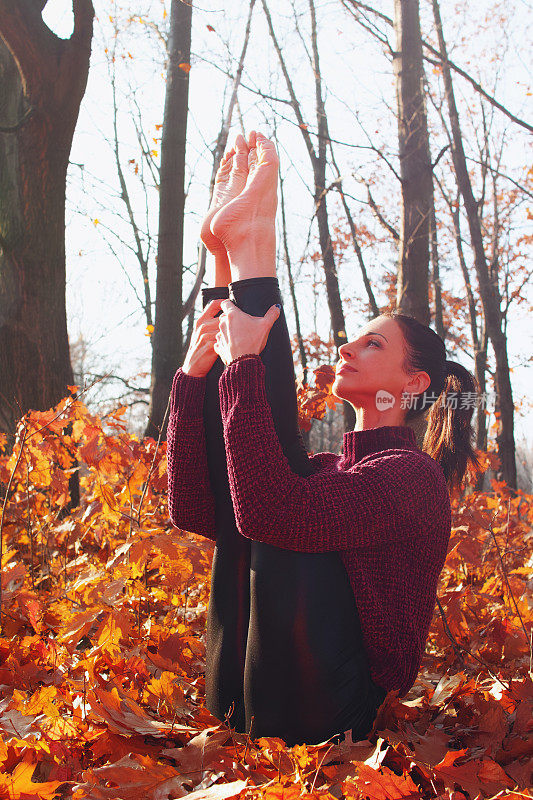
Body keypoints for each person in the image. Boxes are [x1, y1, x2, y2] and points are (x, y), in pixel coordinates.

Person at [166, 131, 481, 747]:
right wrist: (193, 376)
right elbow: (200, 509)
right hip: (254, 701)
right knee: (261, 495)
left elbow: (273, 510)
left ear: (413, 381)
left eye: (374, 344)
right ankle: (232, 260)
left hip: (339, 711)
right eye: (355, 338)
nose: (348, 348)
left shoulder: (410, 477)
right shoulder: (335, 470)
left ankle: (254, 251)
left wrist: (248, 368)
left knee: (279, 506)